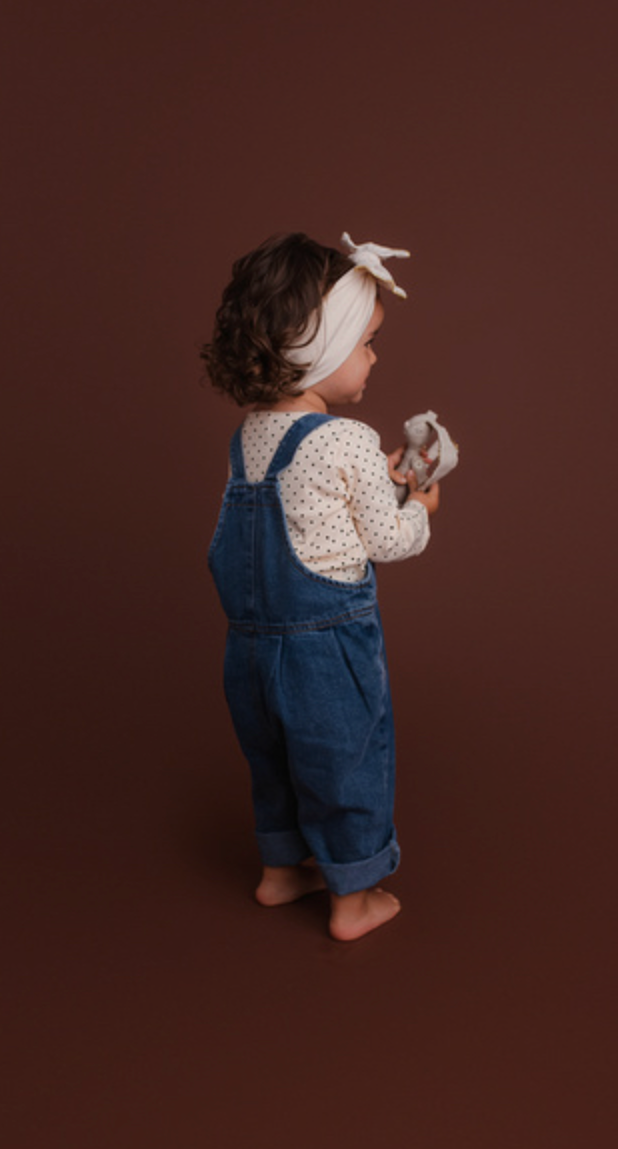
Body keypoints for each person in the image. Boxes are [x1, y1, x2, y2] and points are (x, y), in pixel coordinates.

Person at [201, 231, 440, 941]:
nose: (372, 356)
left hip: (249, 648)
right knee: (345, 761)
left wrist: (377, 484)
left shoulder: (250, 435)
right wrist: (420, 503)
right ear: (321, 350)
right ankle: (355, 898)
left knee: (273, 760)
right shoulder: (347, 440)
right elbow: (389, 541)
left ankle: (281, 873)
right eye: (366, 342)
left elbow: (299, 515)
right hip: (325, 647)